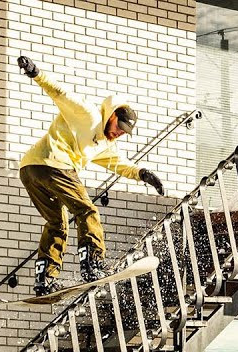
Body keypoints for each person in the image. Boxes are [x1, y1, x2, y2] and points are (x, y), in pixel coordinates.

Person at [16, 55, 165, 296]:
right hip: (53, 164)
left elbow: (120, 164)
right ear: (112, 114)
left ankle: (45, 279)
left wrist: (144, 174)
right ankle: (93, 263)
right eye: (119, 127)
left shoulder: (104, 144)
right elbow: (60, 93)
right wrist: (36, 73)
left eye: (124, 133)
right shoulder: (89, 115)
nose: (118, 133)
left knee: (57, 223)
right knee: (87, 211)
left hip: (30, 170)